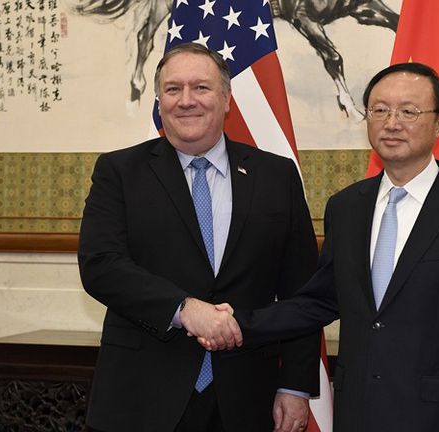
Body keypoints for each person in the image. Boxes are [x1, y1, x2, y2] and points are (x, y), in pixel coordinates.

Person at [212, 62, 439, 431]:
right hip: (358, 413)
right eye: (379, 110)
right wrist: (235, 322)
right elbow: (319, 301)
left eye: (408, 112)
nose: (392, 123)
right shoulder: (346, 208)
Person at [78, 42, 320, 432]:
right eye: (173, 89)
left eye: (201, 88)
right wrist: (184, 309)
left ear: (226, 98)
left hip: (249, 396)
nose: (186, 100)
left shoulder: (276, 176)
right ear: (159, 102)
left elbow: (302, 290)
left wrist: (294, 384)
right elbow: (101, 266)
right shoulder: (119, 172)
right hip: (143, 394)